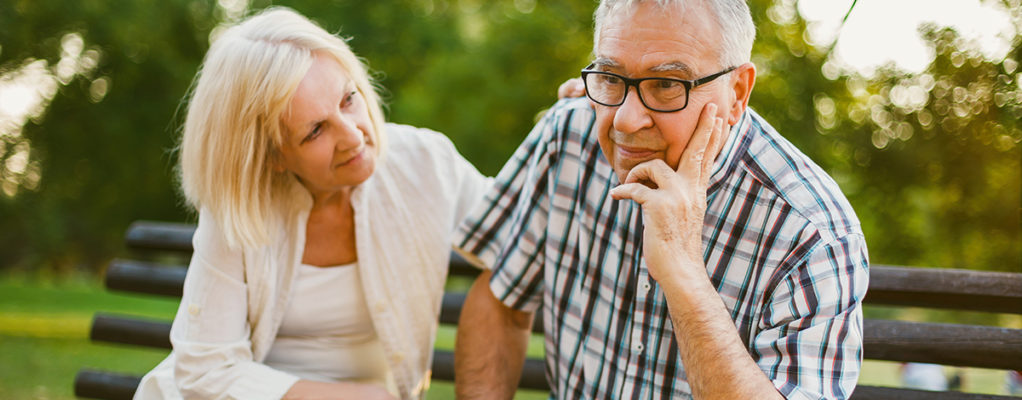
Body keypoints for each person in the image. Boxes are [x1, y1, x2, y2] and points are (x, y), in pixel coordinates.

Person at [452, 0, 869, 399]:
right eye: (612, 78)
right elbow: (500, 304)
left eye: (667, 84)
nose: (626, 121)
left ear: (737, 92)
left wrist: (683, 271)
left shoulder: (814, 234)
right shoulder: (568, 136)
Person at [133, 7, 493, 400]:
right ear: (271, 156)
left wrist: (570, 115)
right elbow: (205, 371)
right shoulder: (238, 207)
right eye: (316, 130)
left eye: (348, 99)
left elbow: (525, 227)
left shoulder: (426, 164)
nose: (353, 136)